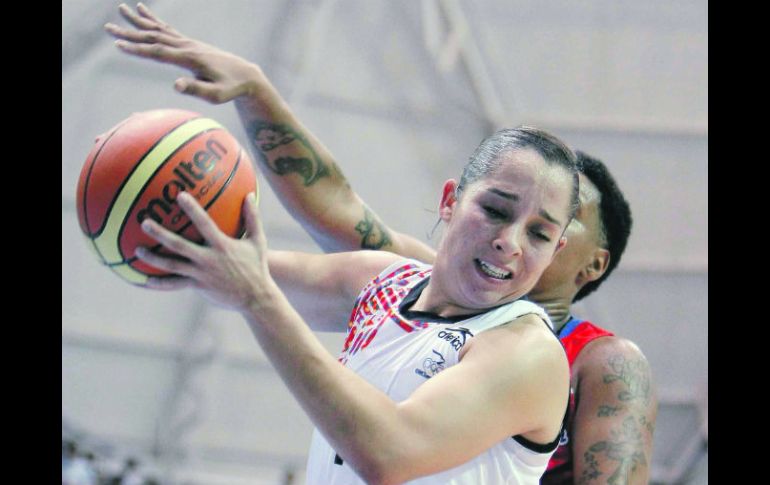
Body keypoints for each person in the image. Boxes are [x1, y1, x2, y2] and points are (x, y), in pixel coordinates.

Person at [105, 4, 657, 483]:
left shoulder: (560, 354)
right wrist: (253, 92)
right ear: (450, 202)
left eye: (542, 229)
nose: (509, 242)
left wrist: (257, 298)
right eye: (494, 209)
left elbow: (387, 454)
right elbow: (329, 215)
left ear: (571, 252)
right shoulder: (401, 280)